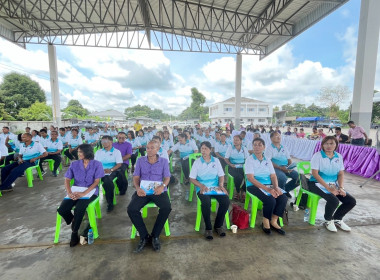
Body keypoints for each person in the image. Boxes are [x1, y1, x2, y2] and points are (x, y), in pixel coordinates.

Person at [127, 140, 171, 253]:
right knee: (132, 209)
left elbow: (167, 177)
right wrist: (138, 189)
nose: (149, 150)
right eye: (147, 148)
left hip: (158, 189)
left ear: (158, 149)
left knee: (166, 207)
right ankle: (144, 236)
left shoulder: (164, 161)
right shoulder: (140, 160)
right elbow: (136, 177)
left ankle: (155, 236)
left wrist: (163, 186)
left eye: (152, 148)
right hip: (143, 190)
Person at [57, 144, 105, 247]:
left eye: (81, 152)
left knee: (79, 208)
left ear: (88, 152)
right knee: (62, 209)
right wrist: (69, 193)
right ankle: (74, 219)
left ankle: (74, 233)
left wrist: (84, 193)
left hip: (91, 191)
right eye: (78, 152)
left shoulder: (97, 164)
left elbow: (97, 181)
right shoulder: (74, 164)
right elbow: (67, 179)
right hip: (75, 190)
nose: (78, 154)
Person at [308, 136, 356, 232]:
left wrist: (341, 187)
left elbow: (341, 173)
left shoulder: (338, 156)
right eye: (326, 143)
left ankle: (337, 219)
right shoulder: (317, 156)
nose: (329, 146)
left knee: (351, 201)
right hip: (316, 183)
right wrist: (328, 188)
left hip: (332, 184)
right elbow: (315, 174)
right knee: (334, 200)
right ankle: (328, 220)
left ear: (336, 145)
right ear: (322, 145)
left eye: (331, 143)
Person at [245, 138, 287, 235]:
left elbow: (273, 175)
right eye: (255, 145)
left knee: (283, 197)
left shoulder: (267, 160)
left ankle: (274, 220)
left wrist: (276, 187)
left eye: (260, 145)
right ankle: (265, 222)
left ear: (264, 147)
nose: (257, 147)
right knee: (270, 199)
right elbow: (250, 178)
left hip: (268, 185)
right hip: (253, 185)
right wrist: (268, 189)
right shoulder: (249, 159)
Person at [189, 141, 229, 240]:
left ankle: (218, 226)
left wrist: (221, 185)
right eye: (202, 149)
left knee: (225, 201)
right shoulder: (197, 162)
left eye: (206, 149)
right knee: (206, 202)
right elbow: (192, 178)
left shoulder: (216, 160)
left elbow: (221, 175)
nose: (203, 151)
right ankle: (208, 228)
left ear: (210, 150)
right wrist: (201, 185)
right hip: (202, 188)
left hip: (215, 187)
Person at [265, 132, 299, 198]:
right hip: (275, 168)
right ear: (271, 138)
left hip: (286, 167)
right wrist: (281, 168)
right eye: (276, 136)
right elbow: (268, 162)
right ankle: (280, 196)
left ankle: (285, 190)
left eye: (279, 136)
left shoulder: (284, 147)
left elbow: (289, 159)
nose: (279, 137)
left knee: (299, 177)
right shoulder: (269, 148)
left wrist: (290, 167)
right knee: (282, 178)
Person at [95, 136, 123, 212]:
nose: (103, 143)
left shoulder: (116, 152)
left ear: (111, 142)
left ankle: (110, 203)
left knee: (107, 182)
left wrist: (111, 170)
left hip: (113, 171)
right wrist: (100, 170)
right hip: (100, 171)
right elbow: (95, 163)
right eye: (102, 141)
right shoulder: (98, 152)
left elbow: (119, 164)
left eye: (105, 141)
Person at [224, 135, 249, 201]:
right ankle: (238, 192)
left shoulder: (244, 149)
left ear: (241, 141)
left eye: (237, 140)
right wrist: (230, 164)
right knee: (239, 177)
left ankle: (243, 191)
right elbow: (226, 158)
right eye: (234, 140)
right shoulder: (230, 148)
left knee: (248, 177)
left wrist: (245, 165)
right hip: (232, 167)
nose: (235, 141)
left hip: (242, 167)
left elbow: (247, 159)